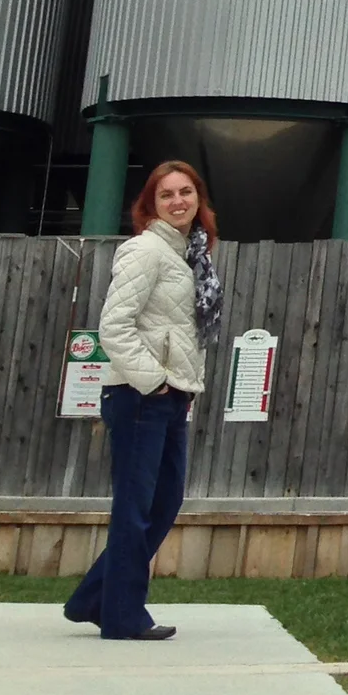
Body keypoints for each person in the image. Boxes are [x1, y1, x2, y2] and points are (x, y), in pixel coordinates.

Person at [62, 159, 224, 641]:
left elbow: (181, 331)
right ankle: (123, 616)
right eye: (166, 194)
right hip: (139, 396)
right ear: (150, 205)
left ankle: (94, 598)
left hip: (170, 398)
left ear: (199, 199)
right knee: (135, 508)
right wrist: (154, 382)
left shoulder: (191, 256)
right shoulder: (145, 250)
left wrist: (180, 388)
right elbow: (114, 326)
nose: (178, 201)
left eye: (186, 192)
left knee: (165, 501)